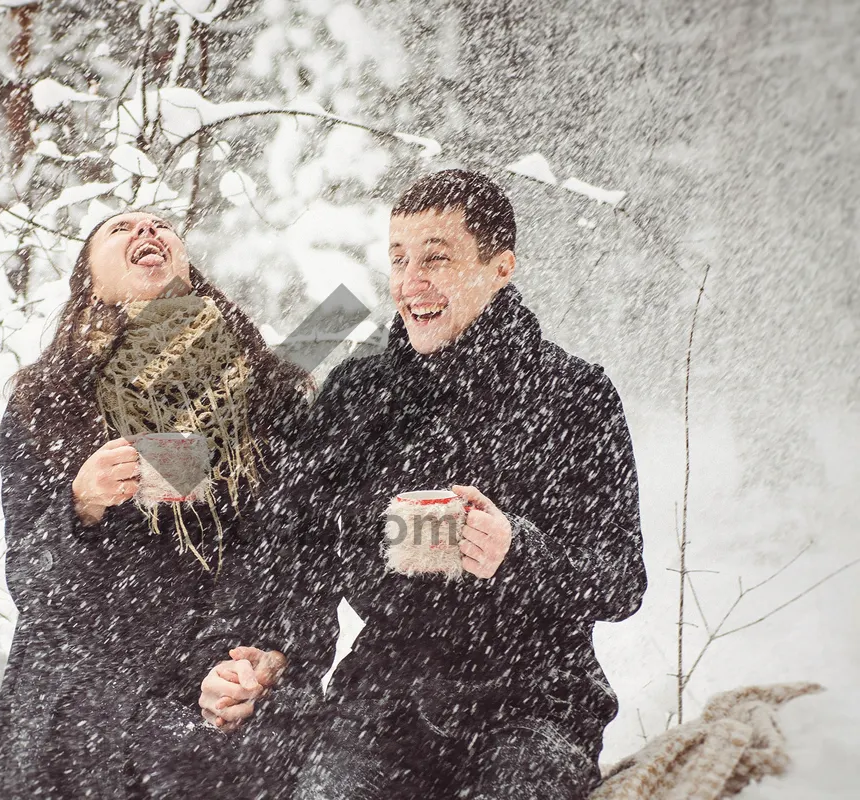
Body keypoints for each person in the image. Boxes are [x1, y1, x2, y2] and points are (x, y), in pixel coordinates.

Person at [200, 170, 647, 799]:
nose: (411, 283)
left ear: (500, 268)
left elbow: (621, 579)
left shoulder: (575, 395)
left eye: (436, 259)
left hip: (536, 704)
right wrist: (275, 651)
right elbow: (301, 555)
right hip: (386, 699)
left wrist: (516, 555)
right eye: (399, 259)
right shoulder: (360, 393)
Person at [0, 210, 308, 798]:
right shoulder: (43, 405)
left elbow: (288, 546)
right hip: (80, 706)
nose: (146, 232)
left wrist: (261, 654)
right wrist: (80, 505)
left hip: (212, 694)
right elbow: (31, 581)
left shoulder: (266, 390)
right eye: (121, 229)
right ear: (90, 282)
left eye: (160, 225)